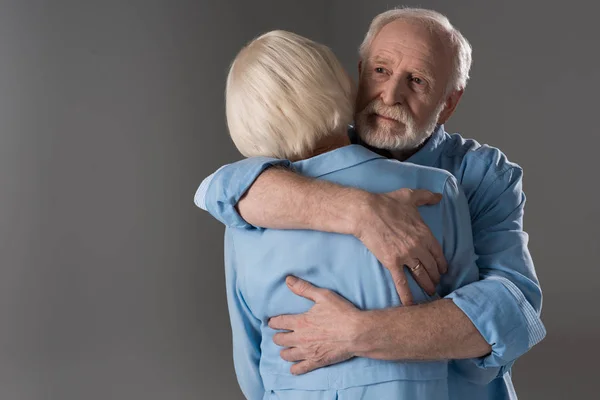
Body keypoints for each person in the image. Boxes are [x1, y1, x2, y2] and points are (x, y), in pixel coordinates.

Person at [197, 8, 545, 400]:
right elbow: (219, 190)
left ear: (448, 103)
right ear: (360, 72)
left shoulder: (478, 175)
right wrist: (361, 211)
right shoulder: (296, 156)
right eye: (381, 71)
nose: (390, 96)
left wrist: (355, 334)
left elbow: (512, 310)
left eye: (417, 80)